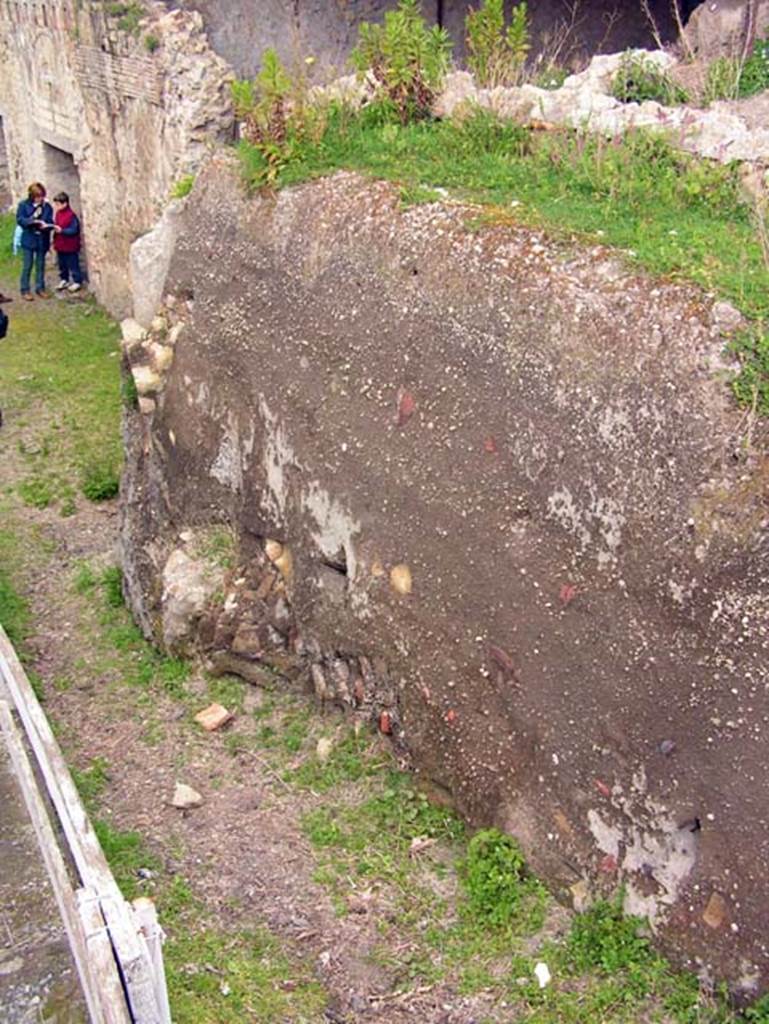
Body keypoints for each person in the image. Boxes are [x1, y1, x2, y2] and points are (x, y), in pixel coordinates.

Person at [16, 183, 54, 300]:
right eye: (38, 196)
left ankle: (40, 288)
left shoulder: (47, 207)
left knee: (40, 265)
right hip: (29, 238)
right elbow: (20, 220)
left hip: (42, 239)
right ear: (32, 196)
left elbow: (49, 220)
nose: (40, 199)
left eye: (42, 196)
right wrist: (32, 220)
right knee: (27, 265)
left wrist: (46, 225)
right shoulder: (23, 205)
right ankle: (25, 289)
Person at [51, 192, 84, 293]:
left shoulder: (71, 215)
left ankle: (77, 281)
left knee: (73, 264)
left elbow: (74, 230)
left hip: (70, 245)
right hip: (60, 244)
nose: (56, 206)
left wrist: (62, 231)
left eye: (58, 204)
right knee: (62, 264)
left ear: (65, 204)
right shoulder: (58, 214)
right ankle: (64, 279)